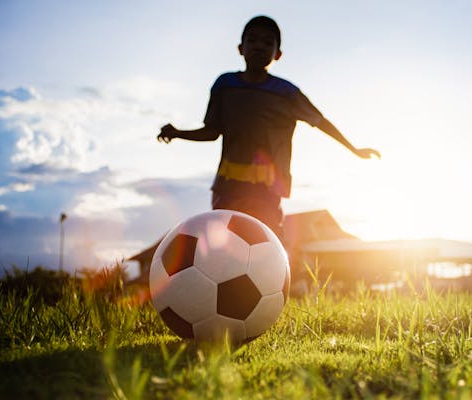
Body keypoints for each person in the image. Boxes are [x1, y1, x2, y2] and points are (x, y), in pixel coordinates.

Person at [157, 15, 380, 240]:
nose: (259, 47)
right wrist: (178, 133)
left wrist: (354, 149)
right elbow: (212, 131)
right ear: (240, 48)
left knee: (265, 244)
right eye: (252, 41)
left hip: (267, 188)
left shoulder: (286, 92)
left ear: (278, 54)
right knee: (224, 244)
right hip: (228, 186)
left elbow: (320, 122)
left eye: (267, 43)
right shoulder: (225, 84)